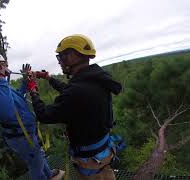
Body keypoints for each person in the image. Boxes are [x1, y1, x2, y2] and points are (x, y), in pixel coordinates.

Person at [29, 34, 124, 180]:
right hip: (103, 152)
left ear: (72, 56)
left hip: (90, 162)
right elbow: (70, 90)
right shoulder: (96, 78)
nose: (59, 62)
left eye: (61, 57)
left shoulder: (77, 90)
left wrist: (33, 90)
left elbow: (44, 115)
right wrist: (48, 78)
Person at [0, 51, 64, 180]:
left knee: (38, 156)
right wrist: (0, 77)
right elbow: (5, 111)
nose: (5, 68)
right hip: (20, 135)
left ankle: (48, 174)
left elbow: (18, 96)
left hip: (25, 132)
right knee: (35, 164)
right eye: (2, 65)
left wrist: (24, 82)